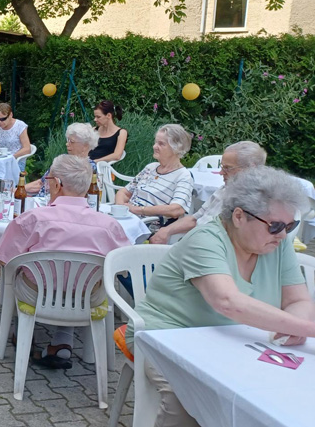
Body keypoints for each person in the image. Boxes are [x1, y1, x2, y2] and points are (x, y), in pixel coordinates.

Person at [126, 166, 315, 426]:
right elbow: (228, 302)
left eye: (290, 225)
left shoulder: (277, 245)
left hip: (234, 339)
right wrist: (306, 328)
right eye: (275, 226)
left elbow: (298, 300)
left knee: (279, 392)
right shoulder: (205, 239)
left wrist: (293, 327)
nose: (283, 234)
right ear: (239, 216)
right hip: (167, 336)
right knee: (187, 397)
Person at [0, 154, 131, 368]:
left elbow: (3, 259)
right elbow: (123, 267)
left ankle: (23, 332)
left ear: (57, 184)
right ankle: (62, 341)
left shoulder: (33, 219)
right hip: (87, 299)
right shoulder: (108, 225)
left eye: (48, 180)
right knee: (81, 280)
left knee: (18, 271)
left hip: (37, 296)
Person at [150, 141, 267, 244]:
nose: (221, 172)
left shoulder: (254, 205)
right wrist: (166, 230)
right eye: (222, 167)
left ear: (250, 169)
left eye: (227, 168)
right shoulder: (225, 189)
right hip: (192, 242)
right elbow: (195, 218)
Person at [115, 124, 193, 226]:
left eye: (161, 144)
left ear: (176, 148)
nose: (154, 146)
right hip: (127, 218)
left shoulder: (183, 176)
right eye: (155, 142)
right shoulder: (151, 167)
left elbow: (176, 209)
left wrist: (138, 210)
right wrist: (120, 207)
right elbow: (124, 192)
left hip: (146, 226)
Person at [23, 122, 98, 199]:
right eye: (68, 140)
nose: (67, 144)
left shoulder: (87, 168)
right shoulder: (62, 160)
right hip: (41, 200)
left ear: (85, 146)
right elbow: (41, 183)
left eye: (72, 141)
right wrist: (19, 188)